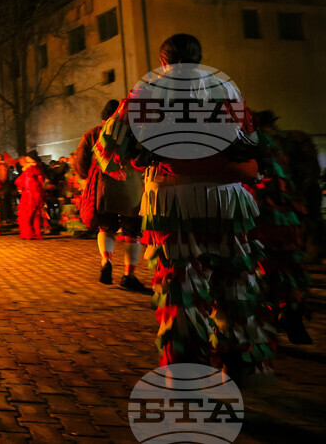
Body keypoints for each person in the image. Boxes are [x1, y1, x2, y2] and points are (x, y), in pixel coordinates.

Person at [94, 33, 274, 378]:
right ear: (199, 57)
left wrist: (125, 165)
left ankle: (186, 366)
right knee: (235, 277)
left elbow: (108, 148)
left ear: (163, 61)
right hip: (228, 197)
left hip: (171, 199)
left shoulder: (144, 92)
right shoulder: (226, 89)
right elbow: (250, 142)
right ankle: (239, 361)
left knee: (181, 284)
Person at [247, 110, 312, 344]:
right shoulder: (284, 141)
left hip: (265, 216)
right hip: (290, 214)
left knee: (265, 269)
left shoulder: (252, 142)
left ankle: (269, 323)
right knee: (291, 269)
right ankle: (294, 319)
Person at [74, 99, 148, 291]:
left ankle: (106, 262)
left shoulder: (93, 134)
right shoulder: (133, 134)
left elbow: (80, 162)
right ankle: (128, 274)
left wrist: (84, 177)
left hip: (103, 186)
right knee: (132, 230)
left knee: (106, 226)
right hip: (129, 185)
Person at [15, 152, 47, 240]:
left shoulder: (31, 168)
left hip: (29, 194)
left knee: (27, 214)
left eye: (27, 157)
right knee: (35, 215)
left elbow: (25, 181)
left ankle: (28, 233)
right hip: (34, 193)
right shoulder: (35, 168)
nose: (26, 158)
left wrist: (20, 186)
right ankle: (35, 233)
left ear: (31, 158)